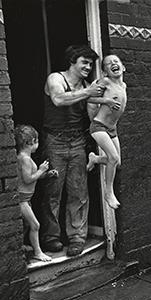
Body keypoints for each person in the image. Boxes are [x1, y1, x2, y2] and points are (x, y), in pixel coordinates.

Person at [41, 45, 105, 256]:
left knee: (78, 192)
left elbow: (91, 118)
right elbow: (59, 99)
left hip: (77, 141)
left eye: (90, 63)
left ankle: (77, 238)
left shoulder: (87, 86)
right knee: (52, 191)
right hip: (55, 141)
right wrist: (88, 92)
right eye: (84, 62)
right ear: (72, 61)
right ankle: (51, 238)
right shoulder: (56, 79)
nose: (88, 67)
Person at [86, 54, 127, 209]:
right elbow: (88, 98)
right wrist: (106, 100)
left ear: (123, 67)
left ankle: (95, 159)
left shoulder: (123, 86)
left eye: (116, 61)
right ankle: (108, 193)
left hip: (112, 128)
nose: (113, 64)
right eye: (108, 63)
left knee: (117, 162)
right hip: (98, 126)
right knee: (113, 157)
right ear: (105, 72)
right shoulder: (105, 82)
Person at [15, 125, 58, 262]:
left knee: (26, 225)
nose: (38, 144)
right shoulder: (25, 159)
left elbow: (30, 177)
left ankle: (22, 247)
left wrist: (46, 175)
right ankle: (38, 252)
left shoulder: (25, 157)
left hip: (27, 198)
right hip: (22, 199)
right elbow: (28, 179)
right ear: (30, 142)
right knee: (35, 225)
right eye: (37, 141)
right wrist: (41, 170)